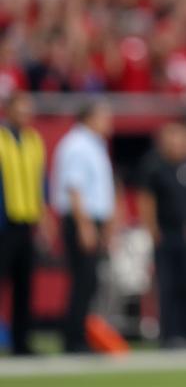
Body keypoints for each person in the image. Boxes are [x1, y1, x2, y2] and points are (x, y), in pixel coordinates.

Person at [51, 100, 116, 353]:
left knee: (88, 282)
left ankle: (78, 335)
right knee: (82, 280)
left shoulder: (94, 145)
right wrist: (85, 226)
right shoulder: (77, 145)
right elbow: (74, 187)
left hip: (91, 219)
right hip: (82, 219)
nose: (108, 122)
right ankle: (73, 338)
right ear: (89, 117)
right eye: (104, 116)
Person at [138, 121, 186, 348]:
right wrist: (151, 227)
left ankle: (182, 332)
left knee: (185, 283)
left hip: (184, 234)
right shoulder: (154, 166)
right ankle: (168, 334)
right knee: (167, 284)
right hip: (165, 233)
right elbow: (146, 198)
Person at [0, 91, 49, 355]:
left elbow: (41, 182)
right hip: (3, 223)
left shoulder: (33, 140)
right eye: (21, 108)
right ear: (8, 110)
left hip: (26, 220)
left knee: (24, 286)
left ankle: (21, 341)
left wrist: (43, 218)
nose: (26, 114)